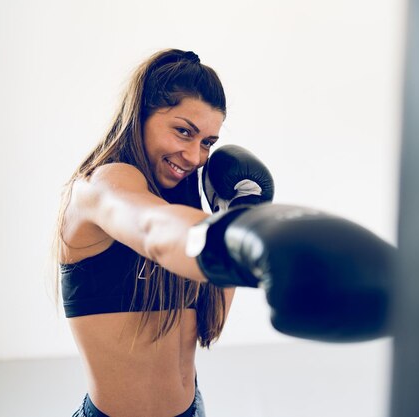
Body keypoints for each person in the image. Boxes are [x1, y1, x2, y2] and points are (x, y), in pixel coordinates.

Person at [54, 48, 274, 417]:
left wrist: (235, 213)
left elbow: (210, 326)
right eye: (183, 131)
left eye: (207, 142)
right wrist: (245, 233)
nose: (195, 156)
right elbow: (152, 230)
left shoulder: (182, 214)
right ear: (140, 117)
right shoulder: (100, 187)